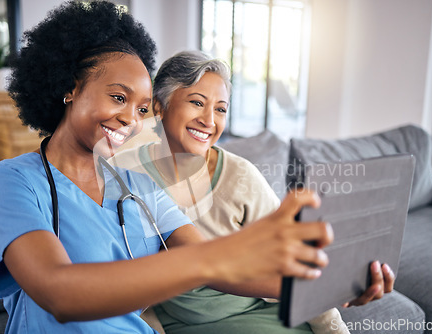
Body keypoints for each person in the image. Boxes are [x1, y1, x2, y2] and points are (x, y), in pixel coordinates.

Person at [0, 2, 336, 333]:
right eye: (119, 97)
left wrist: (326, 285)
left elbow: (221, 271)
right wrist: (217, 257)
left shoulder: (140, 188)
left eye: (142, 108)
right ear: (71, 87)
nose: (131, 119)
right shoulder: (9, 182)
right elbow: (60, 293)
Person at [113, 51, 395, 334]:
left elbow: (295, 257)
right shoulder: (126, 169)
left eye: (221, 109)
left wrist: (333, 309)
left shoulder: (241, 177)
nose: (209, 120)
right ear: (160, 107)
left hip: (252, 312)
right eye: (197, 103)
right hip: (172, 321)